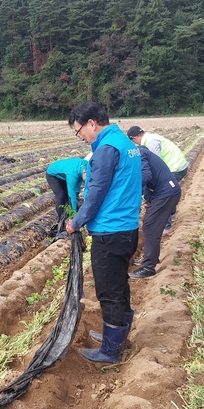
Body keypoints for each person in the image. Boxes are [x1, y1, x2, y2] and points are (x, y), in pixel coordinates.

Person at [64, 102, 142, 364]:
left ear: (91, 124)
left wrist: (76, 222)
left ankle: (111, 351)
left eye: (79, 131)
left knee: (109, 291)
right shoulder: (125, 144)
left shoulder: (106, 150)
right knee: (120, 286)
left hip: (110, 231)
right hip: (128, 227)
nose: (81, 138)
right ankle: (116, 337)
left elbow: (96, 194)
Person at [128, 145, 182, 279]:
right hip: (167, 192)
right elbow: (147, 182)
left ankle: (148, 268)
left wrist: (128, 190)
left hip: (165, 193)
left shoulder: (138, 154)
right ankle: (152, 257)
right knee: (151, 226)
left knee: (150, 227)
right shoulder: (138, 152)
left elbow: (145, 176)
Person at [126, 126, 188, 230]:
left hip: (175, 167)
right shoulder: (151, 138)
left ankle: (166, 227)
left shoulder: (152, 143)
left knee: (162, 195)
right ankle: (172, 214)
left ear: (134, 138)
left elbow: (153, 167)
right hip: (178, 166)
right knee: (168, 192)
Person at [45, 157, 89, 224]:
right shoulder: (72, 175)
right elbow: (71, 195)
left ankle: (68, 214)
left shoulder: (88, 166)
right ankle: (61, 220)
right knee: (61, 196)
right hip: (53, 173)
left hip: (68, 171)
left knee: (73, 196)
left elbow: (81, 186)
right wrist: (74, 214)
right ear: (84, 172)